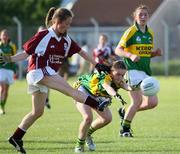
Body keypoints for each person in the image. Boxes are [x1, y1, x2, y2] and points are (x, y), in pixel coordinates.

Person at [0, 7, 110, 154]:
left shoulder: (66, 40)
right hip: (38, 71)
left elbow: (81, 52)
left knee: (37, 112)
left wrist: (96, 64)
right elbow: (26, 53)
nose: (67, 26)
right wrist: (9, 59)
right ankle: (97, 104)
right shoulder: (43, 35)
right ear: (56, 21)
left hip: (44, 74)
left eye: (70, 23)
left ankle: (16, 137)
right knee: (70, 90)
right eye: (66, 23)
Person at [115, 4, 162, 137]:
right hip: (132, 71)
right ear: (135, 17)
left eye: (145, 14)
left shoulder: (150, 33)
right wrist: (130, 55)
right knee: (137, 102)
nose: (143, 17)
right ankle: (124, 129)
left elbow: (145, 54)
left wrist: (155, 54)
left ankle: (125, 113)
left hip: (145, 72)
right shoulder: (131, 31)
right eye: (140, 14)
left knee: (152, 103)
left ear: (149, 17)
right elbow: (118, 49)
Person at [74, 60, 131, 153]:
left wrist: (134, 88)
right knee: (88, 118)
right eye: (118, 74)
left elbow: (125, 85)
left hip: (95, 96)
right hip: (82, 90)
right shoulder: (105, 76)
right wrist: (115, 95)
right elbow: (107, 87)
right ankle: (79, 144)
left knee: (107, 118)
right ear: (111, 71)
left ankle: (87, 134)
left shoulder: (119, 79)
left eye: (122, 75)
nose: (120, 77)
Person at [0, 29, 17, 115]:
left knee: (6, 91)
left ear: (8, 37)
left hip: (9, 70)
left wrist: (15, 70)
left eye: (6, 35)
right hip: (1, 69)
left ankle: (2, 106)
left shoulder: (12, 47)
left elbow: (14, 58)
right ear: (0, 36)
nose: (5, 37)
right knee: (2, 88)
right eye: (3, 35)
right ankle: (0, 106)